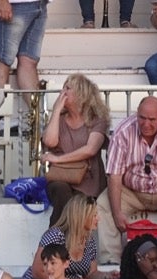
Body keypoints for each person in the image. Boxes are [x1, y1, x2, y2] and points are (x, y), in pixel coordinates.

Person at [98, 97, 157, 263]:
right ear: (137, 114)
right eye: (142, 118)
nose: (146, 124)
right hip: (132, 192)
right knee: (103, 205)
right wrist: (116, 212)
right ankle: (111, 261)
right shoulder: (123, 131)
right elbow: (114, 175)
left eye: (152, 119)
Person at [15, 195, 110, 279]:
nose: (98, 218)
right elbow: (37, 272)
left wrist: (108, 276)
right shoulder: (56, 236)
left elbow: (91, 274)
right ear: (81, 216)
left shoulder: (89, 241)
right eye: (94, 215)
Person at [39, 75, 109, 224]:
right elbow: (49, 142)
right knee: (62, 193)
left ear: (81, 94)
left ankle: (57, 242)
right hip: (61, 178)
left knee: (77, 203)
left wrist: (57, 159)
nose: (62, 92)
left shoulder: (97, 120)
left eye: (67, 88)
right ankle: (56, 242)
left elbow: (90, 149)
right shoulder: (59, 119)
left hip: (88, 182)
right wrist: (56, 110)